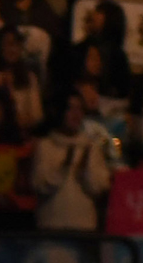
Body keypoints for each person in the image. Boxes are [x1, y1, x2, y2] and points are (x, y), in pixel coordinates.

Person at [32, 90, 113, 230]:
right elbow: (40, 185)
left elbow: (100, 187)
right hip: (52, 228)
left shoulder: (91, 148)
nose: (76, 114)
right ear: (60, 111)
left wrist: (85, 170)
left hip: (84, 229)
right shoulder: (45, 146)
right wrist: (64, 167)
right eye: (71, 108)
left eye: (80, 109)